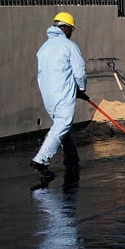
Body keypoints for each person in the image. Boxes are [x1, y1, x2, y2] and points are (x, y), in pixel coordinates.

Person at [31, 12, 88, 179]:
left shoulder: (44, 47)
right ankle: (41, 160)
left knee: (62, 126)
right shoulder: (69, 46)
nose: (71, 33)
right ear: (66, 28)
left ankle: (71, 159)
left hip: (48, 94)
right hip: (63, 92)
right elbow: (80, 72)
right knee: (63, 124)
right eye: (71, 30)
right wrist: (81, 88)